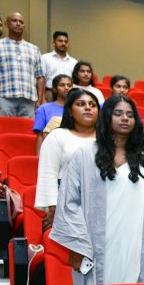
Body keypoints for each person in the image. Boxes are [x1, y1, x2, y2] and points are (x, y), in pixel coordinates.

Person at [50, 95, 144, 285]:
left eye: (130, 115)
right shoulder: (84, 156)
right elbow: (69, 201)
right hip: (95, 244)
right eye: (118, 113)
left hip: (136, 242)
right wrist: (77, 246)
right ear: (107, 117)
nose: (124, 118)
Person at [35, 88, 98, 230]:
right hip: (65, 199)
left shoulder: (106, 140)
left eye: (92, 105)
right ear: (70, 110)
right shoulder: (57, 136)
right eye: (81, 104)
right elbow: (48, 173)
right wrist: (52, 207)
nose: (88, 107)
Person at [0, 12, 44, 118]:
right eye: (14, 21)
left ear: (24, 26)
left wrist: (39, 100)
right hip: (5, 97)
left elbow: (40, 77)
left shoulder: (34, 49)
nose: (18, 24)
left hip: (29, 99)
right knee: (5, 127)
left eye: (21, 22)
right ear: (7, 24)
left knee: (27, 129)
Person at [33, 74, 72, 152]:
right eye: (62, 85)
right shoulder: (44, 108)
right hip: (51, 149)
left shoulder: (76, 109)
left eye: (69, 85)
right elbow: (40, 136)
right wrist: (38, 157)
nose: (66, 88)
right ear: (54, 89)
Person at [40, 31, 77, 101]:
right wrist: (42, 99)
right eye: (60, 41)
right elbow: (41, 80)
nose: (63, 43)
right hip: (50, 94)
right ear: (54, 42)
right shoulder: (45, 58)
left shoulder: (74, 62)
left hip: (68, 96)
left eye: (66, 42)